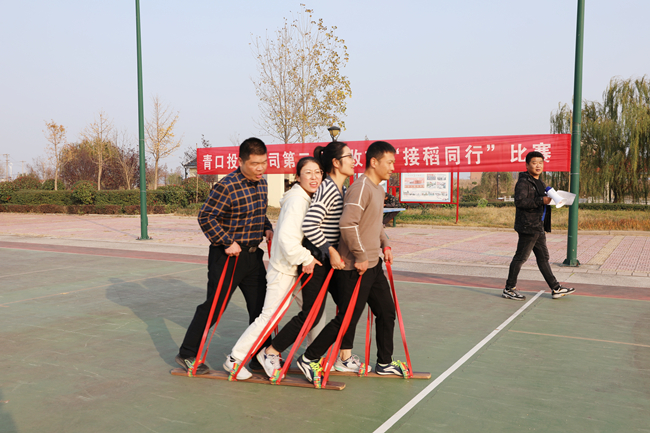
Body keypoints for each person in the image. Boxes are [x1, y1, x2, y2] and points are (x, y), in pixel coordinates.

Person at [296, 141, 407, 382]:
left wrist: (385, 243)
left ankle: (384, 362)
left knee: (386, 312)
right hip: (354, 267)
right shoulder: (360, 188)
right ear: (374, 162)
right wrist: (360, 255)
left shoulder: (378, 189)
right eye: (389, 162)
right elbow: (347, 224)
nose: (392, 167)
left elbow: (375, 223)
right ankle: (309, 358)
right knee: (346, 319)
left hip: (373, 264)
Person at [257, 141, 366, 377]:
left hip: (328, 261)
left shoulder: (338, 189)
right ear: (336, 163)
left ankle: (340, 357)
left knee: (349, 308)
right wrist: (331, 250)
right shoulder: (328, 189)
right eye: (349, 156)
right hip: (317, 259)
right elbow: (310, 224)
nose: (353, 160)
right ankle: (272, 352)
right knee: (312, 314)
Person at [175, 137, 273, 374]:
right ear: (241, 161)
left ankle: (259, 357)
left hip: (253, 257)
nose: (260, 168)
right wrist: (227, 241)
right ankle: (187, 353)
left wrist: (267, 227)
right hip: (227, 257)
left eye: (264, 162)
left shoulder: (262, 183)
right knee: (214, 307)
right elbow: (205, 217)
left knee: (261, 309)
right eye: (254, 163)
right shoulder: (226, 186)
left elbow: (258, 213)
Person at [222, 157, 324, 379]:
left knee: (314, 312)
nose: (314, 177)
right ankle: (235, 358)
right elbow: (287, 238)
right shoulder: (297, 201)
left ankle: (310, 358)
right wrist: (306, 257)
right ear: (297, 177)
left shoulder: (305, 198)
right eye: (308, 172)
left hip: (293, 268)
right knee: (269, 317)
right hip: (284, 269)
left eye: (318, 172)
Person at [502, 151, 575, 301]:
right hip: (528, 226)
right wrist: (542, 200)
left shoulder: (540, 183)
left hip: (538, 226)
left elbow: (543, 200)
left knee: (543, 258)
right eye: (534, 163)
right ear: (527, 165)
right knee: (520, 257)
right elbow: (520, 202)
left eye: (540, 163)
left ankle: (556, 288)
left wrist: (554, 199)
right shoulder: (523, 183)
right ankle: (509, 288)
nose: (538, 166)